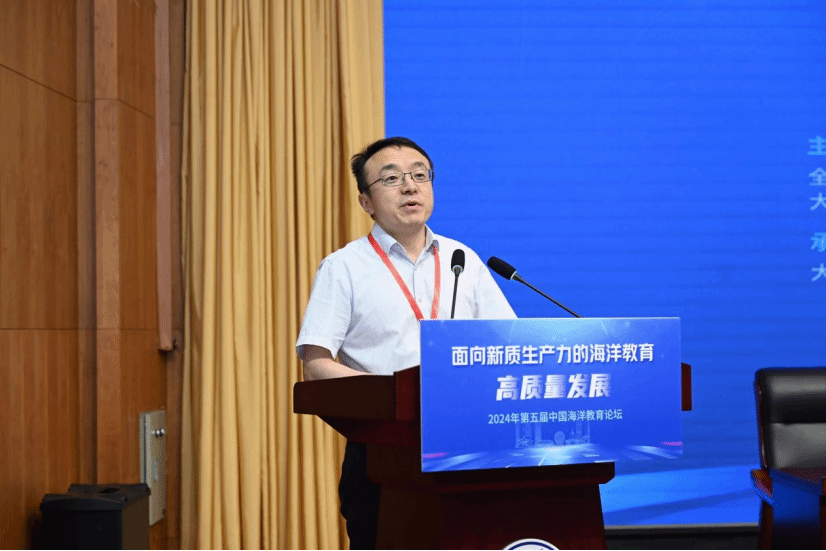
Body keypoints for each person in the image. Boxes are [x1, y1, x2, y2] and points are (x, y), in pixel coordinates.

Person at [295, 136, 516, 549]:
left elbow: (509, 346)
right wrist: (395, 393)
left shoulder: (463, 260)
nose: (410, 186)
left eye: (419, 175)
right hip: (384, 450)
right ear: (366, 202)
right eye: (392, 178)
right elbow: (316, 363)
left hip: (469, 444)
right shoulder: (343, 267)